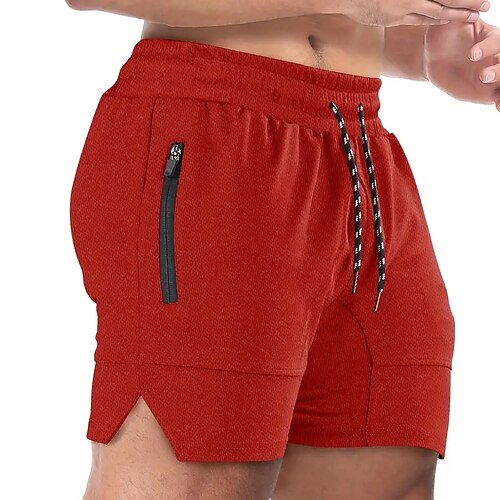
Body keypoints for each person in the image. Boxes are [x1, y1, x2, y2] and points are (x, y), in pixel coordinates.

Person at [66, 0, 500, 498]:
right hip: (214, 132)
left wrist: (423, 51)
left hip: (360, 142)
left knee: (390, 452)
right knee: (199, 470)